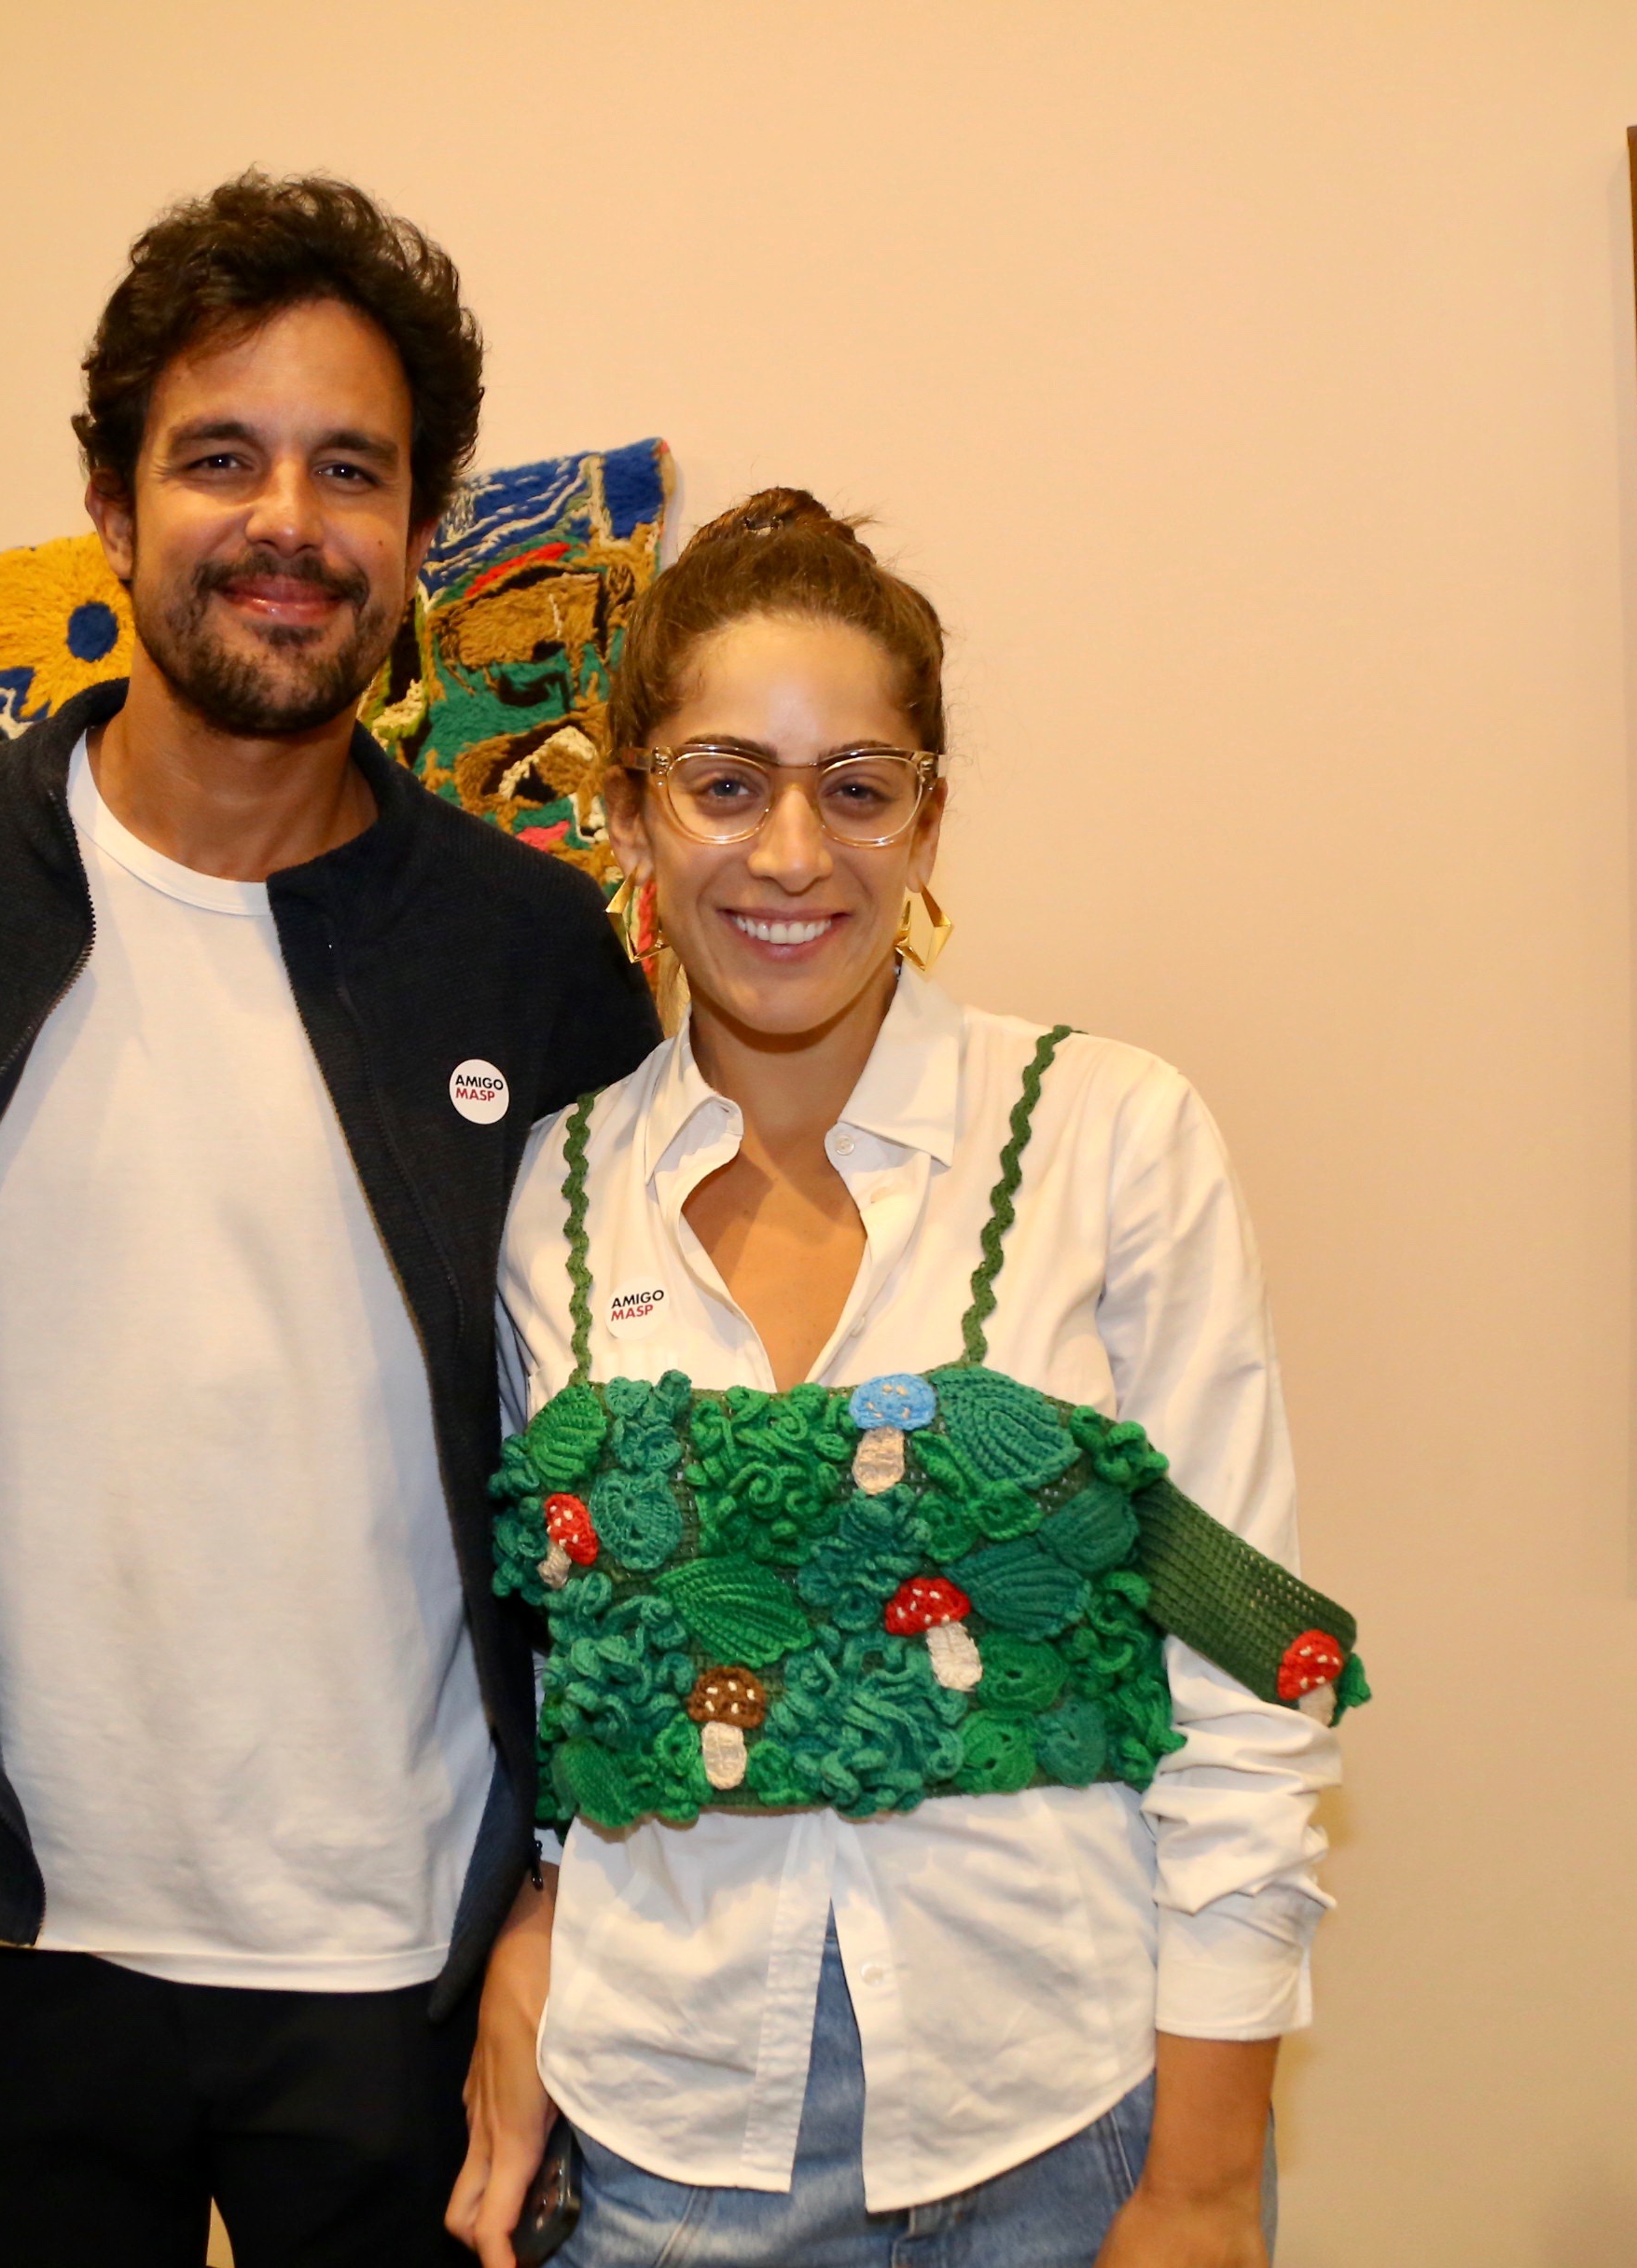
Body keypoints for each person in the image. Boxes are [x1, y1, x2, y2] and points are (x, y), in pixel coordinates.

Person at [0, 173, 660, 2268]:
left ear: (419, 534)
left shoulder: (529, 954)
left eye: (352, 469)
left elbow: (613, 1424)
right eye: (219, 457)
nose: (287, 521)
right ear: (111, 501)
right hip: (3, 1938)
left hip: (401, 1946)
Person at [446, 492, 1354, 2268]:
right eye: (724, 782)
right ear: (628, 813)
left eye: (858, 787)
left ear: (928, 822)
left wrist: (1197, 2183)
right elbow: (567, 1666)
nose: (792, 852)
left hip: (1068, 2120)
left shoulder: (1110, 1139)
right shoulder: (550, 1195)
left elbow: (1253, 1669)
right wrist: (540, 1919)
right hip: (670, 2139)